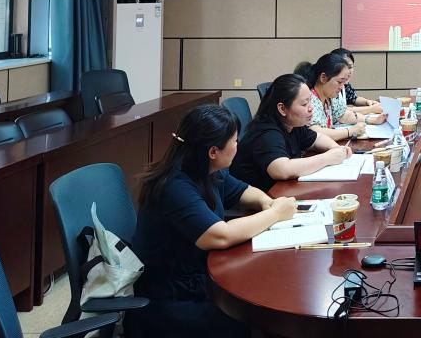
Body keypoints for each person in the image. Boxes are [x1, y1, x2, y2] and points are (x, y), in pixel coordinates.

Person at [127, 104, 298, 338]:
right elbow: (219, 235)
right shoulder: (174, 186)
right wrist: (275, 214)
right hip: (171, 297)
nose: (238, 146)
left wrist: (267, 203)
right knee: (258, 316)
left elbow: (243, 191)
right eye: (234, 141)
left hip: (202, 276)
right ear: (213, 151)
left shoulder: (208, 170)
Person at [231, 73, 352, 191]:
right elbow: (282, 170)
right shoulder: (267, 133)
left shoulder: (293, 123)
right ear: (282, 109)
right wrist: (327, 158)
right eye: (304, 104)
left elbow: (317, 138)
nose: (311, 108)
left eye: (310, 101)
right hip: (257, 199)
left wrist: (336, 149)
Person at [297, 52, 385, 141]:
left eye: (343, 82)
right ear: (323, 78)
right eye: (339, 82)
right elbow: (316, 133)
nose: (342, 87)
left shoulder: (329, 97)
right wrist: (350, 131)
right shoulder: (310, 100)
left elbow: (344, 115)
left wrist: (372, 120)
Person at [332, 47, 383, 115]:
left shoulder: (345, 85)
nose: (348, 72)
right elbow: (339, 111)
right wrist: (371, 109)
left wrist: (367, 102)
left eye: (350, 67)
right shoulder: (330, 86)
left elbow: (353, 98)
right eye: (344, 67)